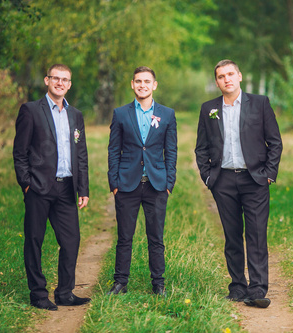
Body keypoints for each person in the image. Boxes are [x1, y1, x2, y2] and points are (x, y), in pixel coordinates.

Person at [195, 59, 283, 308]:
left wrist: (268, 173)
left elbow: (275, 142)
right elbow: (201, 148)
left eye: (230, 74)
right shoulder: (208, 109)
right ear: (217, 82)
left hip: (254, 179)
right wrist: (209, 177)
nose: (227, 79)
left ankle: (257, 289)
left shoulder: (260, 103)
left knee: (256, 234)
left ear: (240, 76)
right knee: (232, 236)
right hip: (223, 180)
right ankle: (237, 286)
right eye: (221, 76)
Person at [13, 64, 90, 311]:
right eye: (55, 78)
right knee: (34, 240)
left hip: (67, 188)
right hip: (38, 187)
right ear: (47, 80)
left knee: (71, 240)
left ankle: (65, 293)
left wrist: (84, 189)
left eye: (65, 79)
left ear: (69, 84)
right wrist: (26, 184)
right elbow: (20, 152)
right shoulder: (31, 110)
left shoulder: (76, 115)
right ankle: (38, 294)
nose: (60, 83)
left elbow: (81, 155)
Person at [107, 66, 177, 296]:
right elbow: (114, 149)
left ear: (154, 85)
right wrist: (114, 182)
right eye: (138, 81)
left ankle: (159, 284)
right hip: (127, 183)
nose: (142, 85)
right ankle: (120, 283)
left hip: (156, 184)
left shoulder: (167, 114)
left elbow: (171, 150)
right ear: (132, 84)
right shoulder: (121, 114)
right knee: (124, 237)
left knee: (156, 237)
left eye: (147, 81)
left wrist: (169, 182)